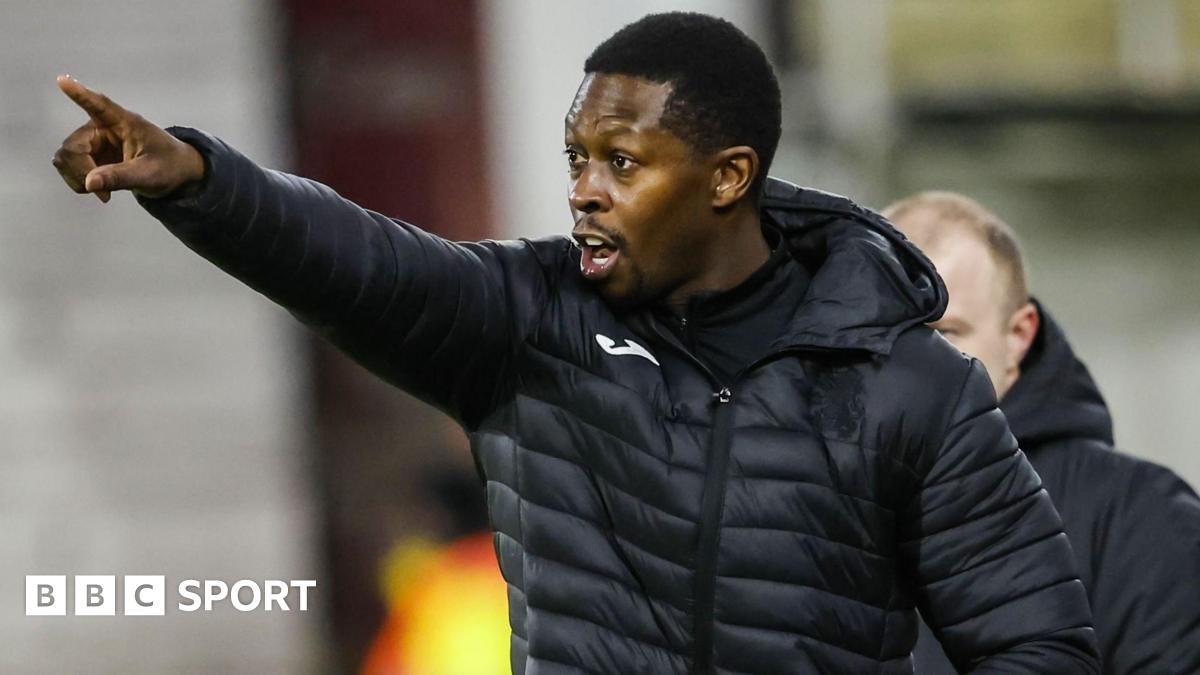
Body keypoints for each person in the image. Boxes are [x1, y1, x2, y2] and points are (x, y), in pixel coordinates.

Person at [52, 12, 1100, 674]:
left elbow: (1039, 641)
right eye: (575, 158)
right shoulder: (529, 319)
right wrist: (198, 180)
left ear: (729, 178)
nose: (584, 191)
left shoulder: (908, 383)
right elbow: (357, 261)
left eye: (622, 163)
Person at [884, 191, 1200, 674]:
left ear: (1019, 336)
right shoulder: (795, 495)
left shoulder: (1143, 518)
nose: (904, 361)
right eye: (883, 331)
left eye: (943, 334)